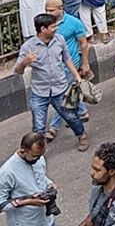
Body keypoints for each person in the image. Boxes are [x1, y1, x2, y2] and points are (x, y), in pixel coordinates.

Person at [15, 13, 88, 151]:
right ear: (43, 29)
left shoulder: (59, 39)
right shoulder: (28, 47)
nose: (56, 28)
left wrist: (76, 76)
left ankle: (82, 136)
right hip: (39, 92)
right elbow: (17, 71)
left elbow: (67, 59)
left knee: (71, 116)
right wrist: (25, 62)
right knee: (38, 126)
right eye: (53, 26)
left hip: (60, 88)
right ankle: (38, 151)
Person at [44, 0, 92, 132]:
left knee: (62, 98)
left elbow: (83, 44)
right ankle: (82, 112)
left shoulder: (74, 23)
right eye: (46, 10)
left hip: (70, 66)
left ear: (60, 9)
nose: (48, 13)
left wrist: (85, 63)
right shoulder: (46, 24)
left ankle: (53, 127)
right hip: (53, 67)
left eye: (51, 11)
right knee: (69, 92)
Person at [0, 132, 56, 226]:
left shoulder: (38, 158)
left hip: (47, 220)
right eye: (34, 156)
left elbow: (40, 176)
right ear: (23, 151)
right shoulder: (7, 172)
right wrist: (29, 202)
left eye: (41, 155)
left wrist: (49, 184)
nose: (38, 159)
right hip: (25, 222)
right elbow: (2, 204)